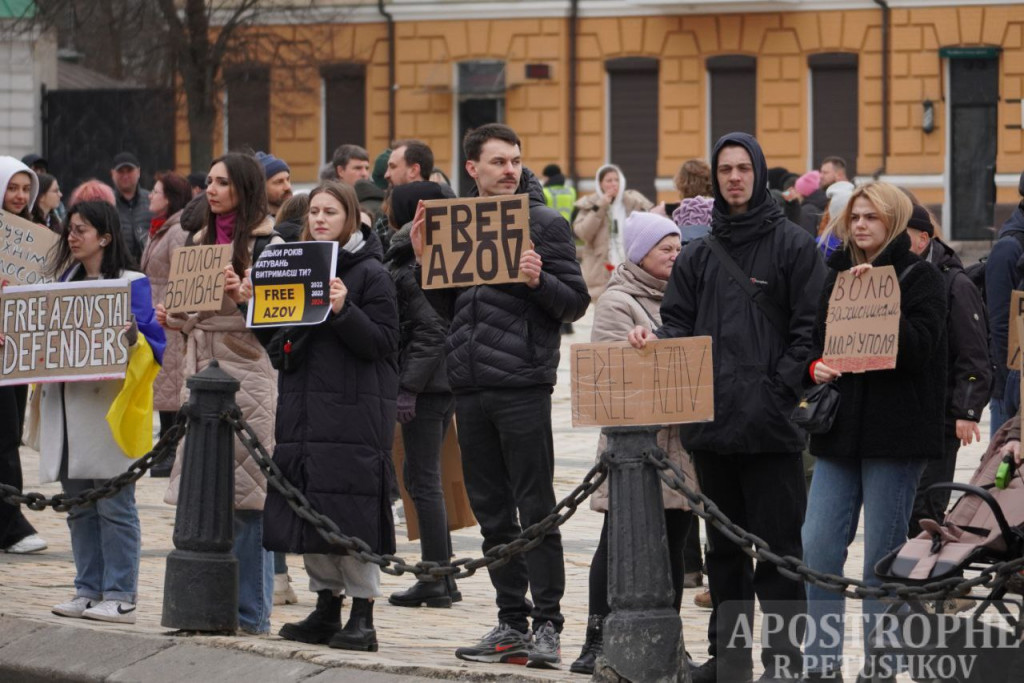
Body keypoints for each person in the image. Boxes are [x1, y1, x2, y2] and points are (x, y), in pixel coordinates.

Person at [629, 132, 825, 682]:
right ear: (715, 178)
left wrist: (778, 391)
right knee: (725, 553)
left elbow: (810, 331)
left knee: (780, 555)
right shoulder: (698, 253)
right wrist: (655, 341)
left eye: (743, 168)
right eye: (725, 169)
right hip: (710, 428)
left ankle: (784, 663)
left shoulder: (794, 246)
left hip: (770, 429)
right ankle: (730, 660)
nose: (734, 177)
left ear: (757, 173)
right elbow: (679, 326)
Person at [410, 123, 590, 668]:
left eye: (515, 160)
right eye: (498, 162)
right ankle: (510, 622)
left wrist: (539, 281)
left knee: (535, 507)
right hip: (469, 385)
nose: (510, 169)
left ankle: (548, 626)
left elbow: (575, 304)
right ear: (473, 169)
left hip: (523, 384)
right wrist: (424, 261)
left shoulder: (544, 222)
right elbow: (450, 311)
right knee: (492, 512)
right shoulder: (457, 225)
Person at [802, 182, 947, 680]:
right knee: (817, 545)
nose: (860, 224)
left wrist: (880, 299)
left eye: (872, 217)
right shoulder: (837, 273)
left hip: (897, 437)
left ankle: (879, 668)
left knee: (881, 562)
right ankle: (821, 665)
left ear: (895, 221)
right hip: (839, 433)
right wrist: (815, 366)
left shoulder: (921, 278)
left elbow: (922, 351)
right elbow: (816, 342)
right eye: (855, 217)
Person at [255, 181, 398, 652]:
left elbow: (381, 343)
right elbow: (279, 347)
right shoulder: (294, 266)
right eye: (313, 211)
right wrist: (246, 302)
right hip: (303, 409)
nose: (318, 219)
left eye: (330, 212)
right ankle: (325, 606)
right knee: (310, 507)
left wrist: (343, 308)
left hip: (353, 413)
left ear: (351, 219)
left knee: (352, 511)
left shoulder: (371, 273)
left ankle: (362, 614)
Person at [571, 211, 699, 675]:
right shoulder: (618, 301)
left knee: (676, 545)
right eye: (665, 248)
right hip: (634, 451)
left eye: (678, 247)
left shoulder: (686, 296)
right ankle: (595, 639)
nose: (675, 255)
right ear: (641, 253)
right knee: (617, 545)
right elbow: (611, 374)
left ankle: (668, 644)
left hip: (679, 445)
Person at [157, 152, 280, 635]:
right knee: (208, 495)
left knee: (249, 500)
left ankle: (252, 613)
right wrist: (178, 320)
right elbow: (195, 312)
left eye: (222, 183)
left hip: (246, 370)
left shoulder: (270, 243)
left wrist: (247, 298)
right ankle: (212, 606)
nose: (210, 190)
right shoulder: (199, 241)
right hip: (203, 370)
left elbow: (280, 319)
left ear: (244, 189)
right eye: (208, 181)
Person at [38, 200, 166, 623]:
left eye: (81, 230)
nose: (72, 237)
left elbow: (154, 348)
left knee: (114, 506)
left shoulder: (133, 283)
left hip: (109, 408)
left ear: (105, 238)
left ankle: (120, 593)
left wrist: (132, 336)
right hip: (70, 409)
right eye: (70, 229)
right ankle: (87, 588)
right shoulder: (57, 285)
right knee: (79, 506)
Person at [383, 181, 462, 609]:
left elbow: (431, 331)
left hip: (428, 386)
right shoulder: (419, 255)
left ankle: (436, 577)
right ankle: (444, 574)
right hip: (436, 383)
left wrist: (409, 387)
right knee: (419, 476)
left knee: (423, 479)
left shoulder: (419, 261)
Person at [904, 204, 991, 537]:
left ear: (923, 239)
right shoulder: (896, 276)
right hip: (906, 414)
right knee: (906, 505)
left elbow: (974, 352)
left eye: (902, 236)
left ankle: (929, 578)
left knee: (925, 508)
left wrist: (966, 410)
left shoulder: (954, 283)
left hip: (941, 417)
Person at [0, 156, 47, 556]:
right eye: (11, 188)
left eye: (25, 188)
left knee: (8, 434)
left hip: (14, 354)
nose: (19, 196)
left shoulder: (37, 234)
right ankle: (11, 525)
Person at [139, 171, 192, 479]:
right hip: (156, 316)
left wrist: (173, 311)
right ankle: (166, 445)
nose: (150, 195)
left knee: (171, 384)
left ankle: (171, 448)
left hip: (168, 315)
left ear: (169, 198)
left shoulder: (178, 231)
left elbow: (182, 276)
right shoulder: (160, 228)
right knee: (164, 383)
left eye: (156, 191)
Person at [573, 164, 653, 300]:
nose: (613, 184)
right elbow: (583, 233)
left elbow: (648, 224)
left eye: (616, 180)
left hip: (627, 263)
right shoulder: (591, 203)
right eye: (609, 181)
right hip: (600, 267)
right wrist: (600, 206)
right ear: (600, 184)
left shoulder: (632, 202)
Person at [986, 170, 1024, 436]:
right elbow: (999, 324)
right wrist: (1012, 385)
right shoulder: (1009, 248)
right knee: (1006, 474)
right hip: (1010, 390)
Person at [110, 152, 152, 263]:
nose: (125, 176)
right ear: (112, 173)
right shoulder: (107, 204)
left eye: (129, 171)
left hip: (147, 270)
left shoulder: (152, 200)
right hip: (117, 269)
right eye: (120, 172)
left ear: (138, 171)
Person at [256, 151, 292, 218]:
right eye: (279, 182)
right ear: (261, 188)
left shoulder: (303, 216)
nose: (288, 187)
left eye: (288, 179)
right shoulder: (253, 224)